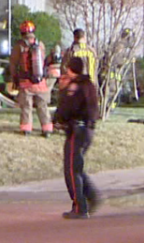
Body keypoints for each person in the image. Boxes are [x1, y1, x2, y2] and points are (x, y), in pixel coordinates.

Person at [54, 56, 101, 219]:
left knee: (72, 170)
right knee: (77, 167)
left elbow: (67, 108)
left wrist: (59, 120)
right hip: (87, 130)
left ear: (70, 69)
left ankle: (80, 207)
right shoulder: (89, 85)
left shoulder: (75, 86)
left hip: (77, 130)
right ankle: (91, 196)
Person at [9, 20, 53, 136]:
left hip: (26, 83)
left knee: (26, 107)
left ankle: (26, 129)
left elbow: (13, 63)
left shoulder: (19, 46)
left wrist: (14, 78)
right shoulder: (40, 45)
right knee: (43, 106)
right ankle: (47, 129)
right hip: (40, 83)